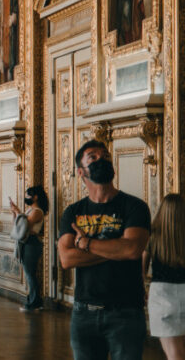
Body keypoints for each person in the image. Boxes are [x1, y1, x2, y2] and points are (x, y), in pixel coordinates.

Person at [58, 140, 150, 360]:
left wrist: (87, 244)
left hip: (126, 311)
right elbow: (67, 258)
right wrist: (114, 246)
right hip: (84, 312)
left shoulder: (135, 207)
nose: (102, 159)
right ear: (81, 171)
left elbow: (132, 250)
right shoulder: (73, 212)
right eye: (93, 157)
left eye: (105, 156)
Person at [143, 193, 185, 359]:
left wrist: (142, 291)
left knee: (173, 352)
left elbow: (141, 270)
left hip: (162, 295)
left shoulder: (152, 236)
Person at [10, 185, 48, 312]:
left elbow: (25, 224)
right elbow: (17, 224)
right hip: (26, 242)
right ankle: (34, 300)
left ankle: (34, 303)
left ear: (35, 197)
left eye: (28, 195)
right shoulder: (29, 210)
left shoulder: (37, 212)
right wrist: (15, 213)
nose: (25, 197)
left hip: (32, 242)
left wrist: (17, 210)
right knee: (29, 273)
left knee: (30, 273)